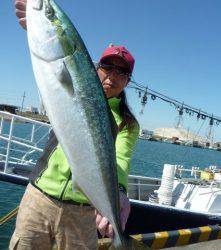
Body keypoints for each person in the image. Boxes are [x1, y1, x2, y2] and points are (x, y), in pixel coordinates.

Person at [11, 1, 140, 249]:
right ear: (96, 67)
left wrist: (120, 191)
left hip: (82, 212)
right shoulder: (74, 92)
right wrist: (38, 30)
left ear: (128, 81)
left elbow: (120, 160)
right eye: (107, 67)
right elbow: (52, 74)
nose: (112, 76)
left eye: (122, 72)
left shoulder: (127, 123)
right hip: (39, 198)